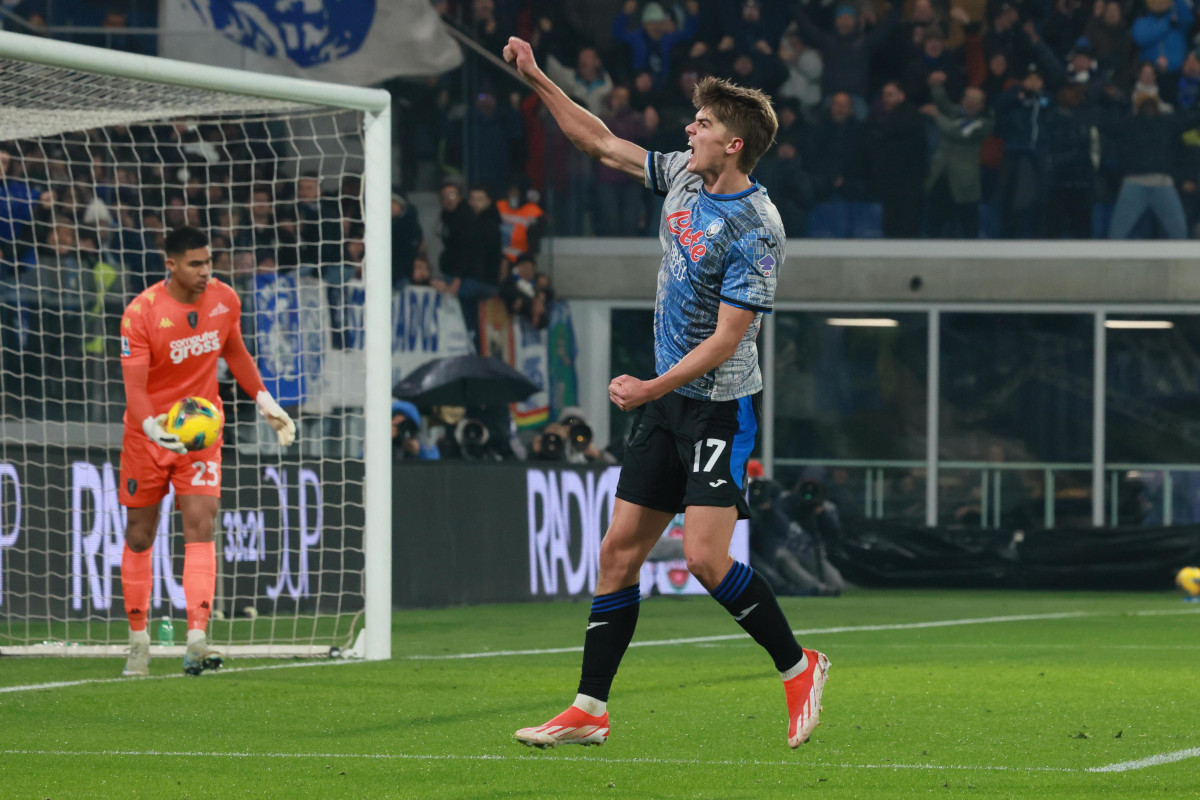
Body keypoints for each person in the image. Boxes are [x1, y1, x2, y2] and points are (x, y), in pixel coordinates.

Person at [503, 34, 829, 751]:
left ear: (734, 144)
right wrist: (537, 80)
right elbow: (601, 143)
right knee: (619, 553)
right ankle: (590, 707)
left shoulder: (758, 228)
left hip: (719, 405)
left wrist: (649, 384)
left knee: (707, 560)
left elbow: (725, 341)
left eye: (704, 124)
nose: (690, 130)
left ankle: (799, 665)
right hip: (666, 403)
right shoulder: (685, 175)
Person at [117, 226, 296, 678]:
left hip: (201, 434)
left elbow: (234, 352)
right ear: (171, 265)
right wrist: (153, 428)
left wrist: (264, 401)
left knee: (202, 522)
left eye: (208, 261)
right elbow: (134, 390)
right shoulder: (140, 314)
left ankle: (197, 638)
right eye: (195, 264)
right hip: (149, 434)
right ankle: (138, 641)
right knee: (140, 534)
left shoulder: (224, 299)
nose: (205, 271)